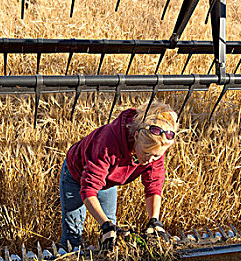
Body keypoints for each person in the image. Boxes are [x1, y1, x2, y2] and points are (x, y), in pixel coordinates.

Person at [59, 101, 178, 251]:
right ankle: (70, 257)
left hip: (109, 180)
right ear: (136, 136)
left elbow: (153, 186)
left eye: (156, 156)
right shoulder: (108, 143)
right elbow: (88, 190)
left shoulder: (156, 144)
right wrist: (105, 225)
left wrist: (154, 221)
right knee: (73, 231)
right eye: (147, 154)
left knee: (112, 230)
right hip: (76, 175)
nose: (150, 160)